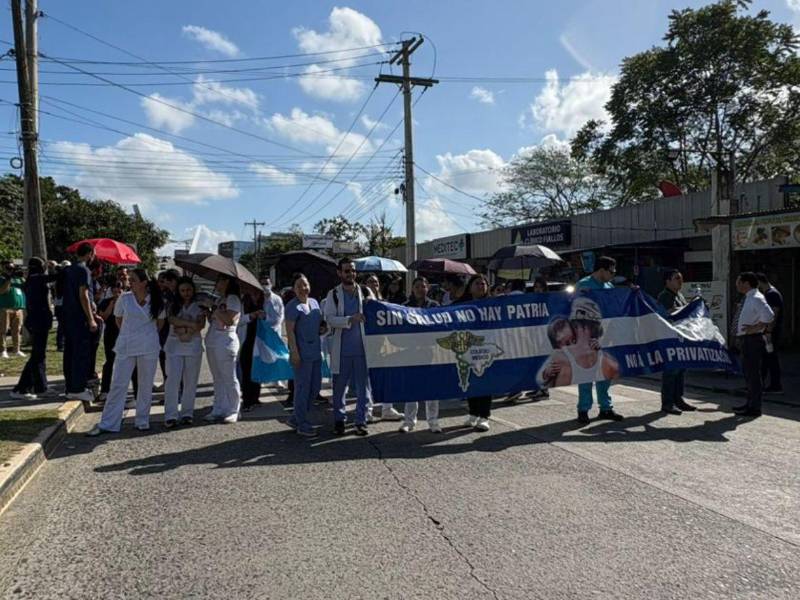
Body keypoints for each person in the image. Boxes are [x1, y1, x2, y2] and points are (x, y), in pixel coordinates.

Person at [86, 269, 165, 435]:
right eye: (130, 279)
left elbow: (160, 323)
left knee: (145, 384)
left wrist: (145, 335)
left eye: (134, 279)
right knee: (118, 384)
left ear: (144, 282)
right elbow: (118, 319)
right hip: (127, 345)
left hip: (148, 347)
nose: (130, 282)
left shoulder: (156, 300)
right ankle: (108, 423)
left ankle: (142, 420)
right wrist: (131, 334)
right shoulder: (125, 298)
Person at [324, 258, 380, 436]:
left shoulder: (365, 291)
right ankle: (339, 420)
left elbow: (376, 312)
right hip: (342, 349)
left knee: (363, 388)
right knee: (339, 388)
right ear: (339, 273)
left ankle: (361, 421)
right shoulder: (333, 294)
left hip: (362, 349)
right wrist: (349, 319)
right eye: (347, 271)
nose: (351, 274)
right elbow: (329, 319)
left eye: (353, 270)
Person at [574, 256, 623, 424]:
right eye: (611, 271)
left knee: (605, 373)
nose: (613, 275)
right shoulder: (584, 285)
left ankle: (605, 408)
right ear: (602, 270)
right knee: (586, 374)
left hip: (605, 336)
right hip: (586, 336)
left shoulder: (609, 287)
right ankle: (583, 409)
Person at [10, 258, 59, 399]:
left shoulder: (31, 280)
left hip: (36, 321)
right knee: (37, 356)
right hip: (39, 321)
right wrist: (56, 267)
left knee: (38, 356)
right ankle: (24, 388)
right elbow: (56, 276)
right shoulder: (36, 279)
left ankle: (37, 386)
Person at [285, 274, 326, 438]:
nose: (303, 288)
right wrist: (294, 352)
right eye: (299, 285)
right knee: (302, 389)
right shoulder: (292, 306)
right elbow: (290, 331)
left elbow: (318, 323)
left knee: (315, 387)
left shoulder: (314, 302)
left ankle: (295, 418)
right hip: (301, 353)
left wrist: (322, 328)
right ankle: (302, 422)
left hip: (315, 351)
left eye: (305, 284)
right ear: (294, 289)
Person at [163, 277, 205, 427]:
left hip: (193, 346)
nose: (186, 293)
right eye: (182, 290)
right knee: (172, 380)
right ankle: (171, 415)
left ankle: (187, 413)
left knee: (190, 381)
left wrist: (186, 329)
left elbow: (200, 325)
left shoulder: (199, 305)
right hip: (174, 346)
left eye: (188, 290)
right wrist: (190, 324)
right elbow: (172, 320)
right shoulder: (172, 304)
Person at [454, 274, 493, 432]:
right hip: (467, 348)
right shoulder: (461, 305)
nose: (481, 286)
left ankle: (484, 417)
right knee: (470, 381)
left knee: (485, 382)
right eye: (477, 283)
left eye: (483, 284)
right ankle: (473, 413)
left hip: (486, 349)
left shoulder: (493, 305)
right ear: (470, 287)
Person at [402, 277, 442, 432]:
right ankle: (409, 421)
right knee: (411, 388)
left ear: (427, 288)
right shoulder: (404, 307)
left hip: (430, 352)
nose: (420, 289)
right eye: (417, 286)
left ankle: (433, 421)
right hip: (411, 352)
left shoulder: (435, 306)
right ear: (412, 289)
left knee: (432, 389)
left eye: (423, 286)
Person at [61, 243, 99, 402]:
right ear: (89, 253)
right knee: (80, 353)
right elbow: (83, 295)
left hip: (68, 316)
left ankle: (70, 387)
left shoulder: (68, 269)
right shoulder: (84, 270)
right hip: (79, 317)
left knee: (69, 353)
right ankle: (77, 388)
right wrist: (91, 319)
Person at [732, 272, 774, 418]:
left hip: (752, 340)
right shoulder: (749, 297)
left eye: (738, 282)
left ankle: (755, 407)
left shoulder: (756, 298)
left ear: (746, 283)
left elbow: (769, 315)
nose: (736, 285)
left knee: (753, 375)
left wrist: (755, 328)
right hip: (746, 340)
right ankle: (750, 403)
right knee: (748, 374)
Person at [204, 275, 243, 424]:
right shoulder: (221, 299)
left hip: (226, 340)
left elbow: (230, 320)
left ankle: (234, 409)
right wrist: (209, 311)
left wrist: (216, 311)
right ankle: (218, 408)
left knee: (229, 377)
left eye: (219, 280)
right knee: (217, 377)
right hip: (213, 339)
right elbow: (215, 319)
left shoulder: (233, 299)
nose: (217, 284)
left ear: (227, 282)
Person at [658, 269, 696, 415]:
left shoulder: (679, 295)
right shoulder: (664, 296)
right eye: (677, 278)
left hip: (681, 337)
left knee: (680, 370)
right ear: (668, 281)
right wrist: (686, 308)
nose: (680, 281)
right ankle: (667, 403)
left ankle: (678, 399)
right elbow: (667, 313)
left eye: (681, 278)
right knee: (670, 371)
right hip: (670, 339)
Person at [98, 280, 137, 402]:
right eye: (114, 291)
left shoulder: (129, 301)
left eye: (119, 291)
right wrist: (112, 305)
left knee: (133, 363)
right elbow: (103, 317)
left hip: (126, 334)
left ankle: (137, 392)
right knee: (109, 361)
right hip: (111, 334)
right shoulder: (106, 302)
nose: (117, 294)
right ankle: (105, 390)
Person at [238, 288, 265, 412]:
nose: (255, 296)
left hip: (259, 342)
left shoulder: (264, 303)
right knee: (246, 371)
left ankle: (255, 397)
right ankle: (247, 400)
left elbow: (273, 320)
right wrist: (251, 316)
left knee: (257, 369)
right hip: (246, 342)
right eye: (253, 293)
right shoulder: (242, 304)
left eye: (257, 293)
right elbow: (237, 321)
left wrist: (263, 317)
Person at [756, 273, 783, 394]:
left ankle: (775, 385)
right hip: (768, 331)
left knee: (771, 358)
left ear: (759, 282)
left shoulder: (772, 294)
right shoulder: (769, 293)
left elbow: (774, 314)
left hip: (770, 332)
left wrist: (769, 331)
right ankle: (762, 383)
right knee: (766, 358)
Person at [155, 270, 179, 392]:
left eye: (164, 281)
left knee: (169, 357)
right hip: (160, 329)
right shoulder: (156, 294)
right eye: (159, 281)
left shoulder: (172, 295)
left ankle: (172, 386)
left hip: (169, 329)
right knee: (162, 356)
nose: (161, 283)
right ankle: (166, 381)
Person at [0, 267, 26, 359]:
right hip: (5, 308)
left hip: (18, 309)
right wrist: (8, 279)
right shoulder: (2, 278)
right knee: (3, 331)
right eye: (9, 268)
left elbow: (26, 286)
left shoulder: (18, 278)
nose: (11, 270)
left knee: (17, 330)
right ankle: (3, 351)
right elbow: (2, 291)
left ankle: (17, 350)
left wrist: (22, 276)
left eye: (13, 268)